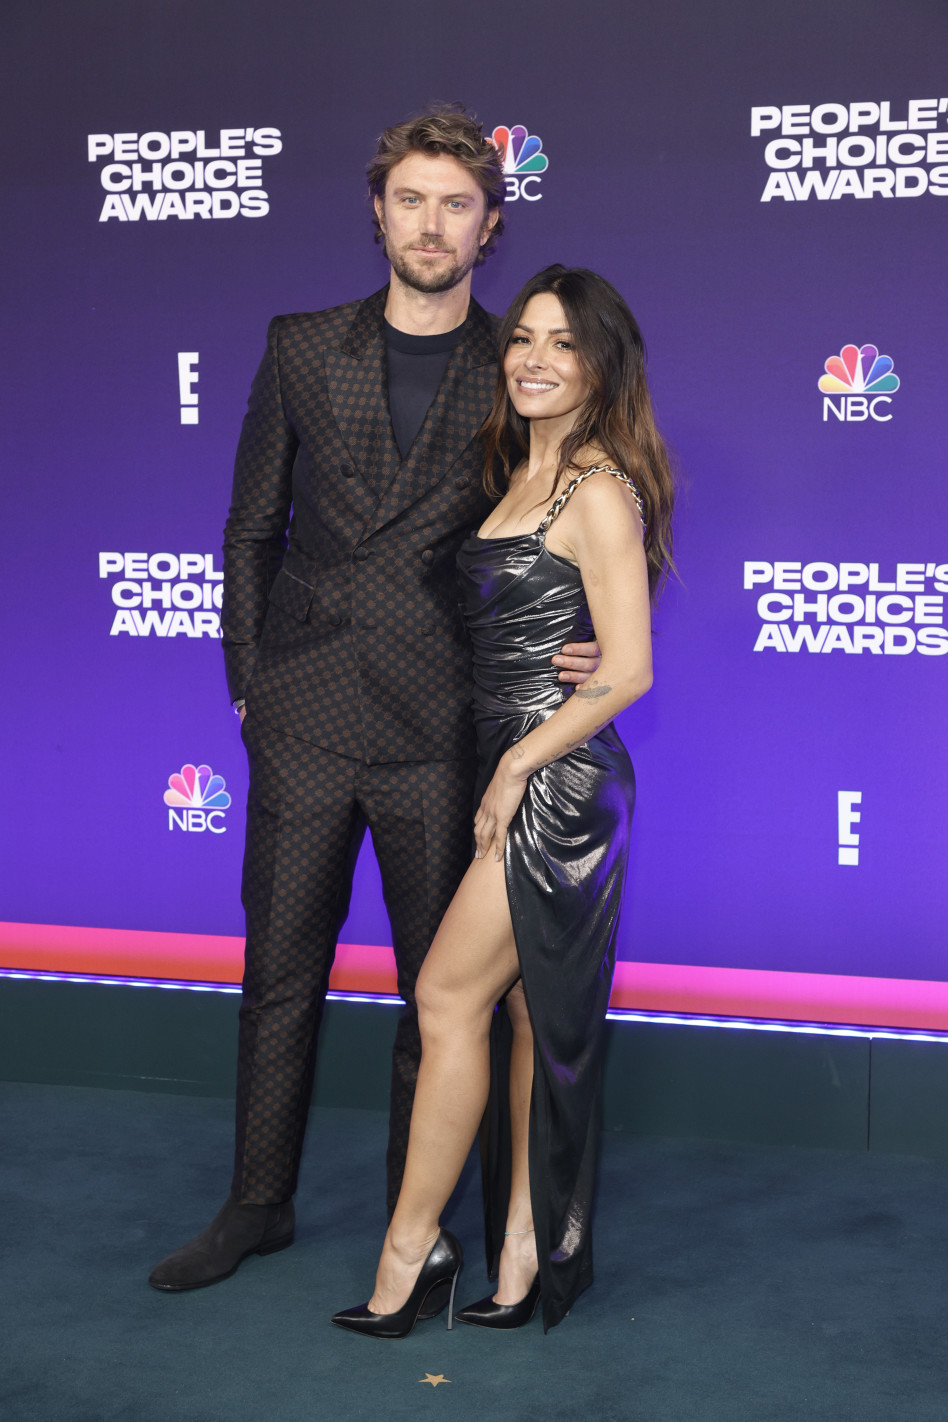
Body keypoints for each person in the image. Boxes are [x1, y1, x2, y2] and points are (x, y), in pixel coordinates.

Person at [148, 110, 603, 1293]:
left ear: (490, 227)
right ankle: (258, 1203)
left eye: (457, 205)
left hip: (441, 724)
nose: (432, 224)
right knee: (278, 969)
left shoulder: (520, 366)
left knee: (433, 994)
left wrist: (588, 634)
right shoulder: (300, 346)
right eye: (412, 200)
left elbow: (583, 503)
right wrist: (250, 684)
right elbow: (251, 527)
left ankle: (424, 1221)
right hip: (301, 712)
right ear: (378, 212)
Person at [331, 265, 675, 1338]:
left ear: (599, 365)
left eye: (562, 343)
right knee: (525, 1017)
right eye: (522, 337)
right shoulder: (514, 473)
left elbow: (627, 672)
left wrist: (520, 765)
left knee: (443, 1000)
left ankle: (410, 1251)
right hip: (511, 759)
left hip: (557, 783)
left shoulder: (600, 487)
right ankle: (523, 1253)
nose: (532, 357)